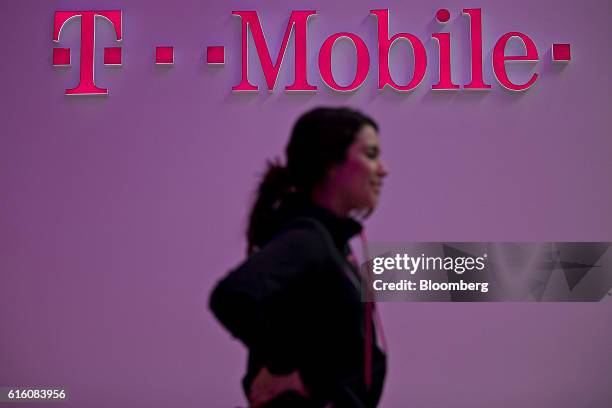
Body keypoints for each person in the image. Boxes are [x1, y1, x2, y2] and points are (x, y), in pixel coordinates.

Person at [209, 107, 389, 407]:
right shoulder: (308, 238)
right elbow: (231, 296)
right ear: (331, 164)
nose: (383, 169)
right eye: (370, 154)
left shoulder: (332, 245)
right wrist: (283, 366)